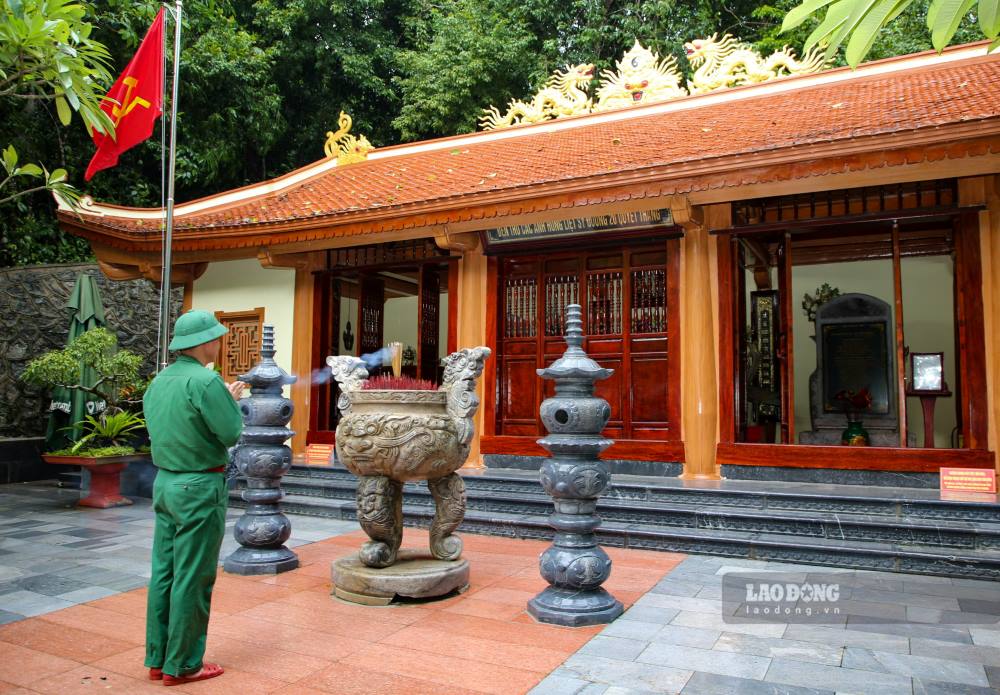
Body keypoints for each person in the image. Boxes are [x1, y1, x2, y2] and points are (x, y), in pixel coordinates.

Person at [142, 310, 245, 686]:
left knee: (164, 572)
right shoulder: (205, 381)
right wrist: (230, 400)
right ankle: (184, 664)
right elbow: (231, 432)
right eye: (216, 338)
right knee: (193, 576)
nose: (219, 343)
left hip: (165, 483)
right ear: (203, 342)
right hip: (200, 487)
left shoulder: (159, 381)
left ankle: (158, 658)